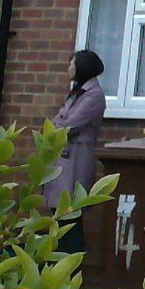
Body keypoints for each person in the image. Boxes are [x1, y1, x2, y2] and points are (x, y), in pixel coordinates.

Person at [41, 49, 107, 252]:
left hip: (76, 159)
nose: (69, 68)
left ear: (83, 67)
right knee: (59, 217)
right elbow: (56, 121)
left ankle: (70, 268)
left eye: (72, 64)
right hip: (64, 159)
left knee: (70, 216)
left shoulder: (93, 95)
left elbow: (69, 124)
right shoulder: (77, 92)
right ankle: (61, 267)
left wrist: (55, 128)